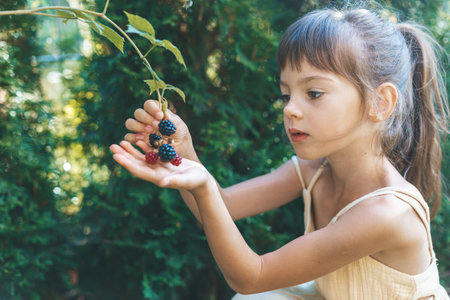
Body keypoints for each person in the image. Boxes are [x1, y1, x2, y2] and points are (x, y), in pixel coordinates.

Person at [109, 4, 450, 299]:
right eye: (287, 94)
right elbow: (218, 208)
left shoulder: (387, 213)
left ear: (380, 102)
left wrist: (202, 184)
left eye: (313, 93)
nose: (290, 110)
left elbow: (252, 276)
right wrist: (185, 156)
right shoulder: (313, 170)